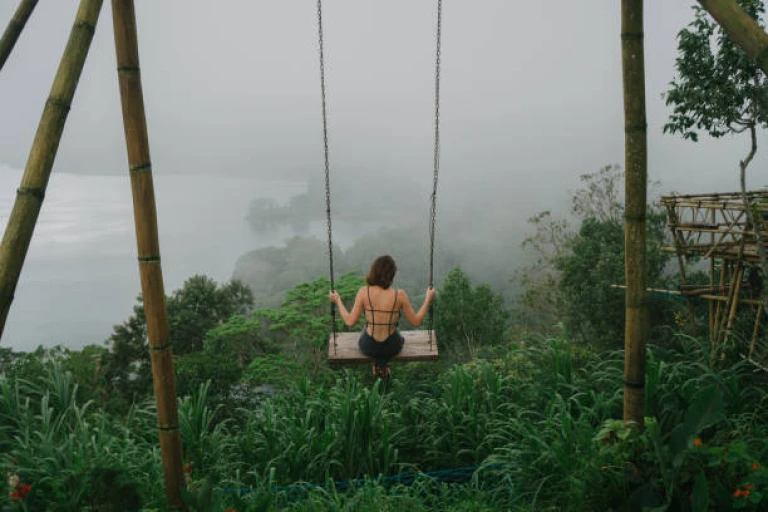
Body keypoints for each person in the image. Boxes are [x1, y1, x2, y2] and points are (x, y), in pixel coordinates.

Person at [329, 255, 437, 377]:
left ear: (373, 271)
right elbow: (416, 322)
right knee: (396, 333)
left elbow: (350, 322)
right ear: (391, 275)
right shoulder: (399, 295)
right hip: (391, 347)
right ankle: (384, 364)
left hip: (369, 347)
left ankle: (377, 364)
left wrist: (337, 300)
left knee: (367, 329)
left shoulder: (364, 292)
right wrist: (428, 298)